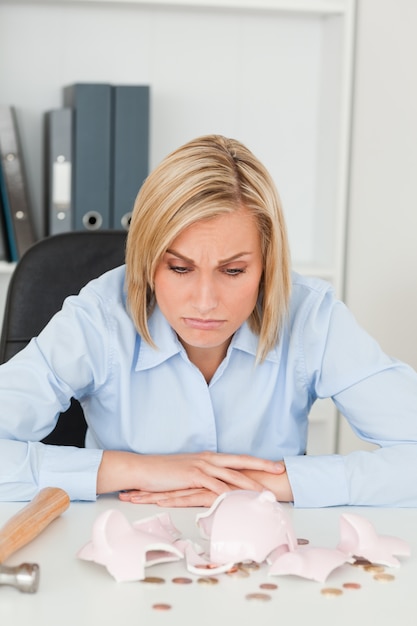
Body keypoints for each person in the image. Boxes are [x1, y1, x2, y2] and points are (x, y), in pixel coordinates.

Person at [1, 134, 417, 508]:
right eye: (179, 269)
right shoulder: (99, 317)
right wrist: (138, 470)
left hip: (264, 556)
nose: (205, 302)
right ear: (146, 263)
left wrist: (271, 483)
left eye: (233, 271)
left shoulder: (309, 315)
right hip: (125, 551)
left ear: (268, 265)